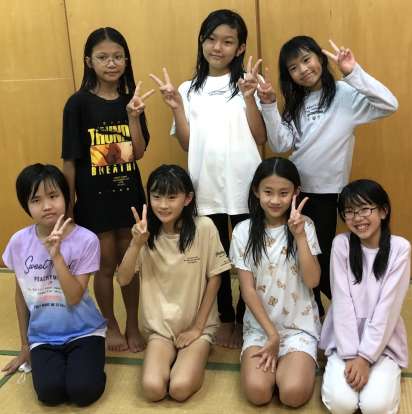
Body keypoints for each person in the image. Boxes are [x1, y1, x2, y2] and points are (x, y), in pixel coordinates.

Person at [150, 9, 266, 348]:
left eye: (228, 41)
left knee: (248, 254)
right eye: (211, 39)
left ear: (240, 48)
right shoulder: (188, 89)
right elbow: (187, 143)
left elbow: (261, 137)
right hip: (205, 185)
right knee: (215, 257)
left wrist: (250, 98)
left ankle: (247, 316)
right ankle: (225, 317)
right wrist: (175, 106)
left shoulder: (249, 83)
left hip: (246, 184)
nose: (218, 47)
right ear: (201, 42)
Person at [257, 36, 398, 315]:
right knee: (301, 254)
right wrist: (270, 105)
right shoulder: (296, 102)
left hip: (328, 192)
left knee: (319, 257)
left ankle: (354, 311)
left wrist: (353, 72)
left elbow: (389, 104)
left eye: (306, 59)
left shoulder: (345, 93)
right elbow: (281, 144)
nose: (302, 69)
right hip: (296, 192)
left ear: (320, 58)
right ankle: (317, 314)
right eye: (293, 67)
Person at [62, 27, 154, 352]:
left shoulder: (132, 101)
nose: (111, 63)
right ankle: (110, 324)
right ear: (89, 61)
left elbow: (138, 152)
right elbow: (70, 160)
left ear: (126, 60)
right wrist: (68, 209)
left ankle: (132, 324)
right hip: (93, 199)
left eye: (117, 57)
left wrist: (133, 117)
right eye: (102, 57)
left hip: (129, 195)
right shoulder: (77, 104)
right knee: (103, 264)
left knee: (131, 263)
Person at [117, 164, 231, 401]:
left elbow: (215, 278)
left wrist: (197, 328)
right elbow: (123, 278)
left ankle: (197, 351)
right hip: (160, 330)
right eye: (157, 197)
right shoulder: (143, 233)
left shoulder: (204, 228)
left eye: (172, 197)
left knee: (179, 388)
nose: (163, 205)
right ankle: (177, 356)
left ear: (187, 199)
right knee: (153, 389)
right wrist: (136, 244)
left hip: (197, 328)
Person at [2, 164, 106, 406]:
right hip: (43, 337)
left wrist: (56, 256)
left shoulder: (86, 240)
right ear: (26, 205)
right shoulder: (18, 242)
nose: (46, 205)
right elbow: (21, 296)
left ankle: (90, 363)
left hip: (85, 331)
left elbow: (74, 297)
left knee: (82, 392)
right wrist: (25, 345)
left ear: (66, 198)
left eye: (53, 196)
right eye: (36, 200)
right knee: (49, 394)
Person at [230, 157, 321, 407]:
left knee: (293, 394)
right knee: (257, 393)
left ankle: (295, 364)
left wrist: (299, 236)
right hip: (261, 329)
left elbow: (313, 280)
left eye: (284, 193)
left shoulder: (306, 226)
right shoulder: (242, 231)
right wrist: (271, 335)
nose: (275, 200)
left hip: (298, 327)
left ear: (295, 193)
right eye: (268, 192)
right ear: (256, 191)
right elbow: (247, 291)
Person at [320, 179, 410, 414]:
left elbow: (388, 308)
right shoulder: (341, 244)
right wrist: (351, 354)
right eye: (349, 211)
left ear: (383, 211)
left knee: (375, 407)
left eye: (365, 209)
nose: (357, 218)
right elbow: (342, 302)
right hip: (343, 340)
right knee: (341, 404)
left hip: (384, 342)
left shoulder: (400, 248)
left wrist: (365, 357)